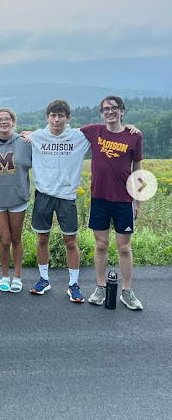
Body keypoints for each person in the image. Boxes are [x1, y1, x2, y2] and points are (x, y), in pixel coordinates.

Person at [82, 96, 144, 310]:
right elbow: (61, 133)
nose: (110, 112)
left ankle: (127, 292)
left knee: (124, 248)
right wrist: (33, 134)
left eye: (114, 108)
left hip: (124, 200)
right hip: (99, 198)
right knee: (100, 245)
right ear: (101, 113)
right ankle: (100, 288)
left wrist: (138, 199)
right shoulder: (94, 131)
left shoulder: (134, 136)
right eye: (105, 109)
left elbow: (138, 169)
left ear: (122, 111)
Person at [28, 100, 91, 302]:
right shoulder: (37, 136)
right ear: (47, 117)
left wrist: (128, 128)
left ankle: (73, 284)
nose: (56, 119)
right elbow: (11, 137)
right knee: (42, 238)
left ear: (68, 118)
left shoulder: (80, 137)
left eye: (60, 116)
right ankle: (44, 279)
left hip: (67, 196)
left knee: (70, 241)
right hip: (43, 195)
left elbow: (107, 133)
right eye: (53, 115)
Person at [0, 108, 32, 293]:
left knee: (16, 238)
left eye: (7, 119)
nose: (4, 122)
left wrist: (33, 134)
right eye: (0, 119)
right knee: (4, 240)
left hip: (18, 197)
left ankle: (17, 276)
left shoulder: (25, 143)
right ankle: (5, 275)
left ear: (13, 122)